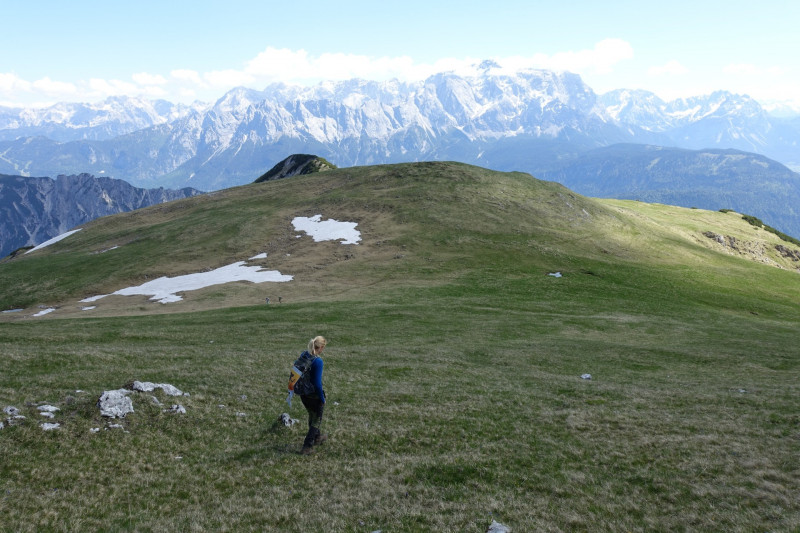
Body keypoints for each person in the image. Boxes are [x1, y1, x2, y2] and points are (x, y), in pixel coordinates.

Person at [296, 336, 328, 455]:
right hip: (313, 395)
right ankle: (307, 446)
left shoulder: (304, 355)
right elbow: (317, 384)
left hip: (303, 393)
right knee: (316, 420)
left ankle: (317, 437)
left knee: (312, 414)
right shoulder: (317, 361)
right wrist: (322, 397)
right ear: (321, 347)